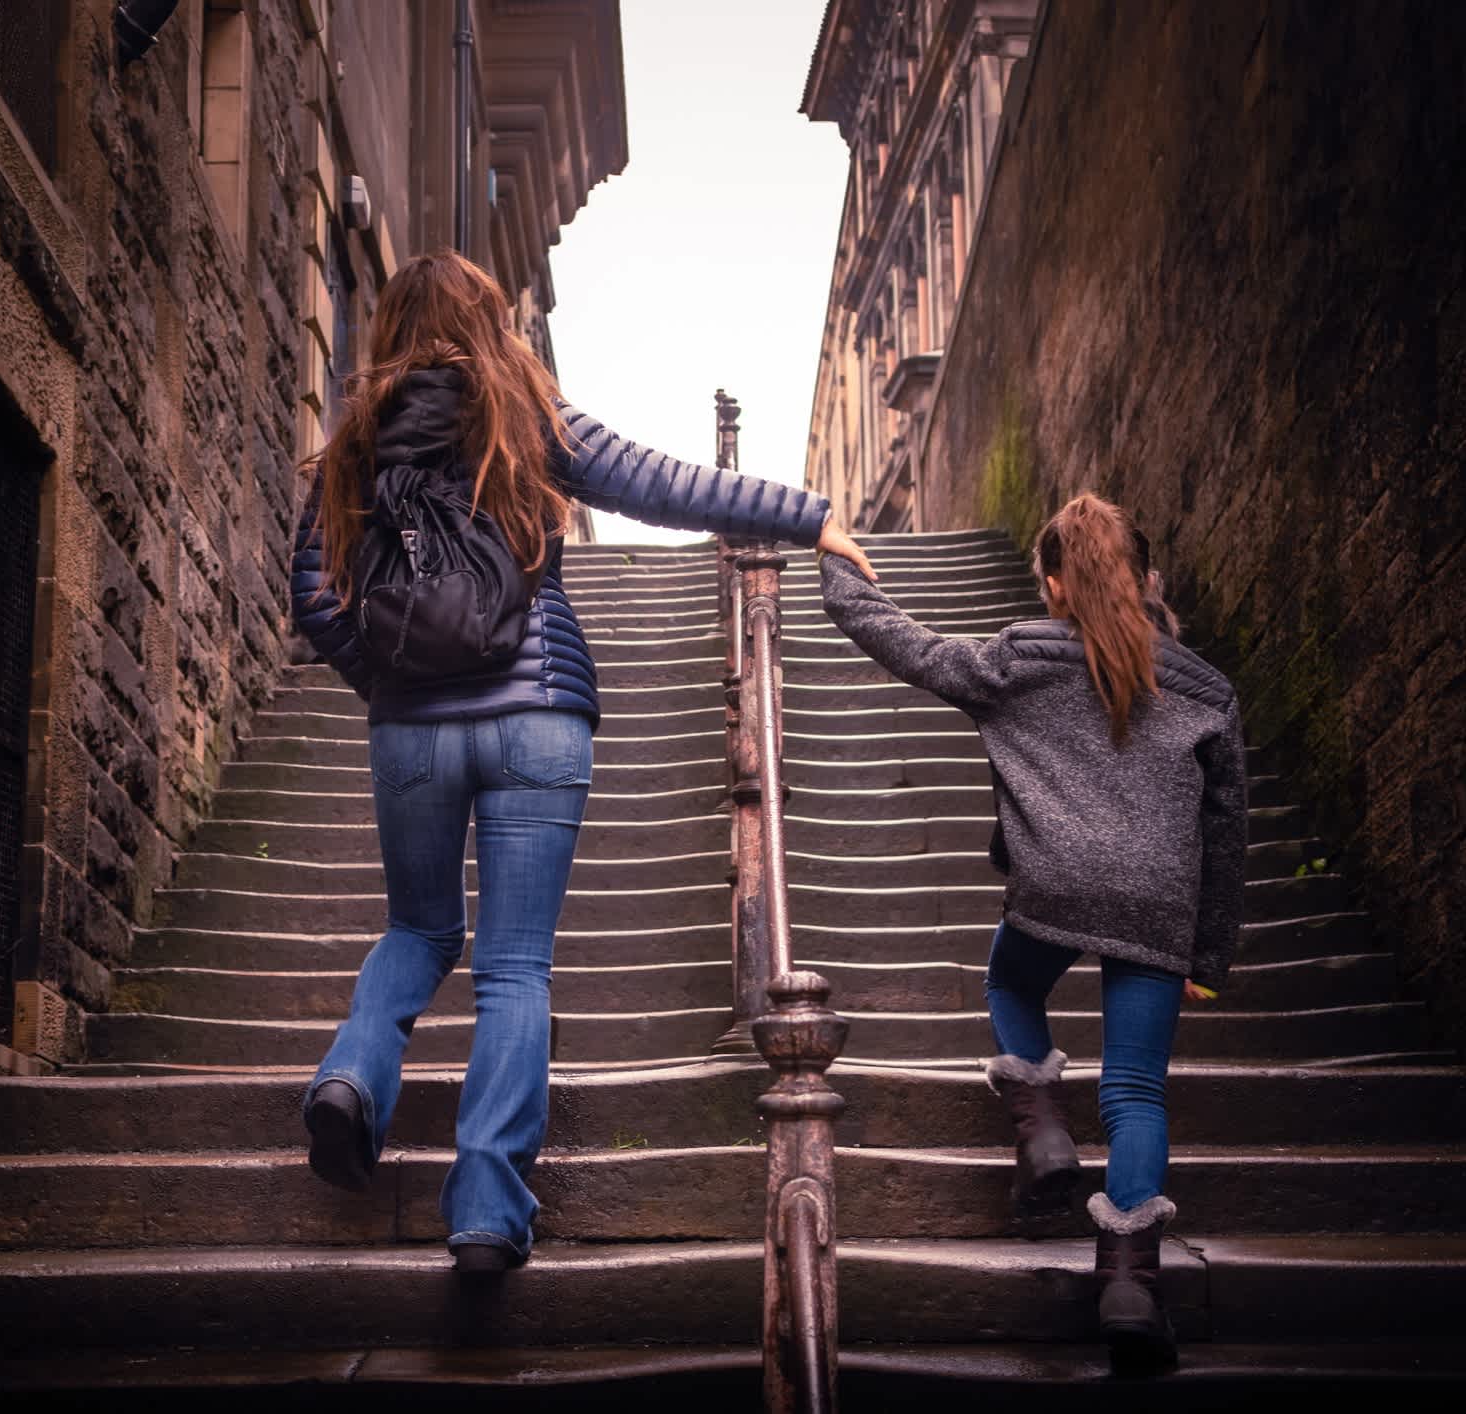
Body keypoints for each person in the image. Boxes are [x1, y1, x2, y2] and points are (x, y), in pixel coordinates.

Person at [289, 250, 875, 1275]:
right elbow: (660, 482)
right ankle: (484, 1206)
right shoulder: (526, 408)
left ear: (389, 330)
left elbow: (312, 594)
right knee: (514, 965)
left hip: (410, 728)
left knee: (418, 928)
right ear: (488, 323)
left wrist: (387, 682)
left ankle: (350, 1076)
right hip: (540, 707)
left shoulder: (354, 448)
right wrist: (808, 514)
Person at [820, 492, 1246, 1373]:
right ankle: (1129, 1283)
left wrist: (839, 568)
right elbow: (1226, 827)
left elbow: (914, 649)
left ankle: (1041, 1128)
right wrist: (1206, 950)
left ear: (1052, 583)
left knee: (1012, 984)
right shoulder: (1206, 687)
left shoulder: (1022, 657)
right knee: (1135, 1092)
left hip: (1053, 884)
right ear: (1144, 576)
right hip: (1159, 900)